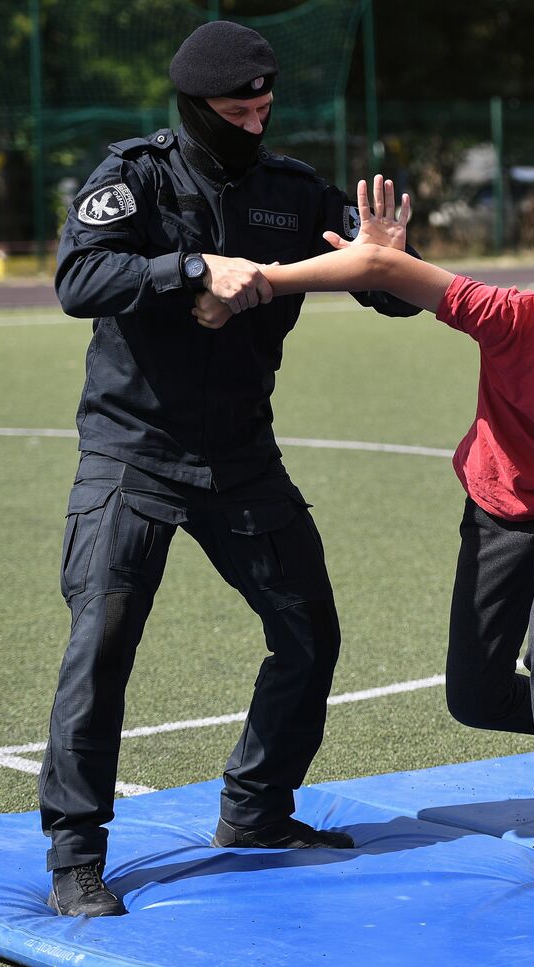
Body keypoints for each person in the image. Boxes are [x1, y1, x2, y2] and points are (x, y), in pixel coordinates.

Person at [41, 21, 421, 918]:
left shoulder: (292, 193)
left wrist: (386, 256)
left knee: (308, 633)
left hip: (242, 456)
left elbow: (380, 290)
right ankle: (74, 856)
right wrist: (191, 266)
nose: (254, 125)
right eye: (236, 112)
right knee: (99, 650)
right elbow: (77, 280)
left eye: (264, 108)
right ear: (194, 106)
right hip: (132, 452)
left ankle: (255, 811)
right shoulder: (134, 178)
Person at [196, 179, 534, 886]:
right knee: (472, 697)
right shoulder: (506, 318)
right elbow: (384, 271)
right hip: (497, 506)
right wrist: (261, 278)